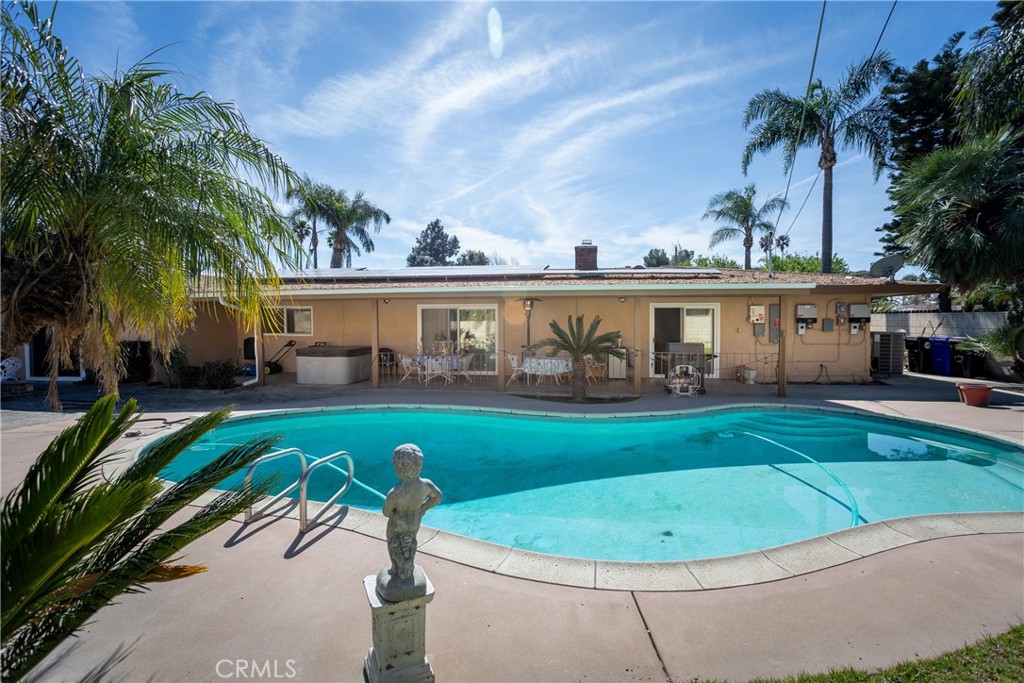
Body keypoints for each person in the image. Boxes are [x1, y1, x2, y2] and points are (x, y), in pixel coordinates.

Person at [376, 444, 442, 600]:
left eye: (400, 465)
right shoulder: (425, 485)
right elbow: (438, 497)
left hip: (398, 523)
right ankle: (408, 567)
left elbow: (386, 512)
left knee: (394, 543)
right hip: (414, 521)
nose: (399, 467)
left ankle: (396, 568)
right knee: (410, 542)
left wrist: (394, 511)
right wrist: (423, 508)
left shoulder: (396, 492)